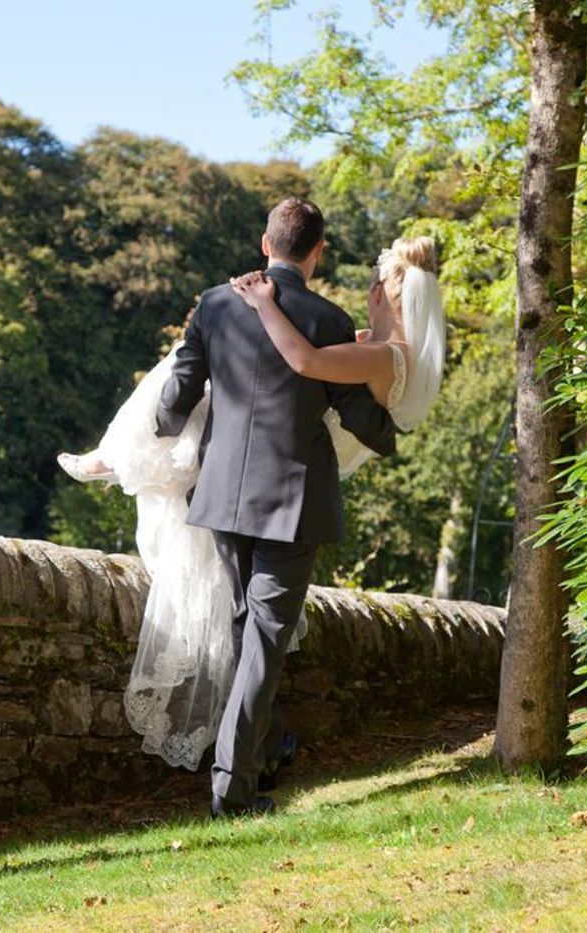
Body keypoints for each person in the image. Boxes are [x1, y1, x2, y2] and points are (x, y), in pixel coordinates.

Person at [59, 203, 445, 815]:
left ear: (265, 242)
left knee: (246, 632)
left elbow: (180, 389)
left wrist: (156, 435)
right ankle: (232, 789)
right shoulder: (329, 319)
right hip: (293, 499)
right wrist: (387, 423)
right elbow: (357, 414)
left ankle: (264, 752)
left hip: (219, 494)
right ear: (317, 252)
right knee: (260, 641)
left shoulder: (215, 304)